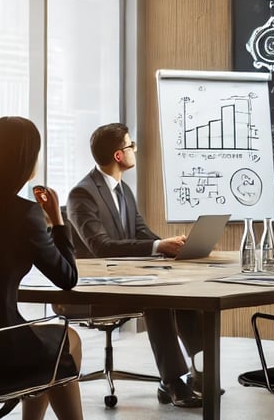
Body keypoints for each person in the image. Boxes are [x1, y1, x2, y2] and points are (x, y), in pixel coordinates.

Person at [66, 123, 204, 408]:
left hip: (127, 279)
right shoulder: (82, 195)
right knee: (157, 297)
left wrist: (171, 246)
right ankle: (172, 381)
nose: (135, 150)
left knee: (183, 290)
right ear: (119, 155)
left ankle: (199, 371)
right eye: (132, 145)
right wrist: (157, 247)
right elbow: (101, 247)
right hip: (94, 287)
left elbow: (141, 232)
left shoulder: (123, 190)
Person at [0, 116, 84, 420]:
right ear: (27, 159)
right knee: (67, 343)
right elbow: (67, 277)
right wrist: (56, 221)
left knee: (43, 347)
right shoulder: (24, 215)